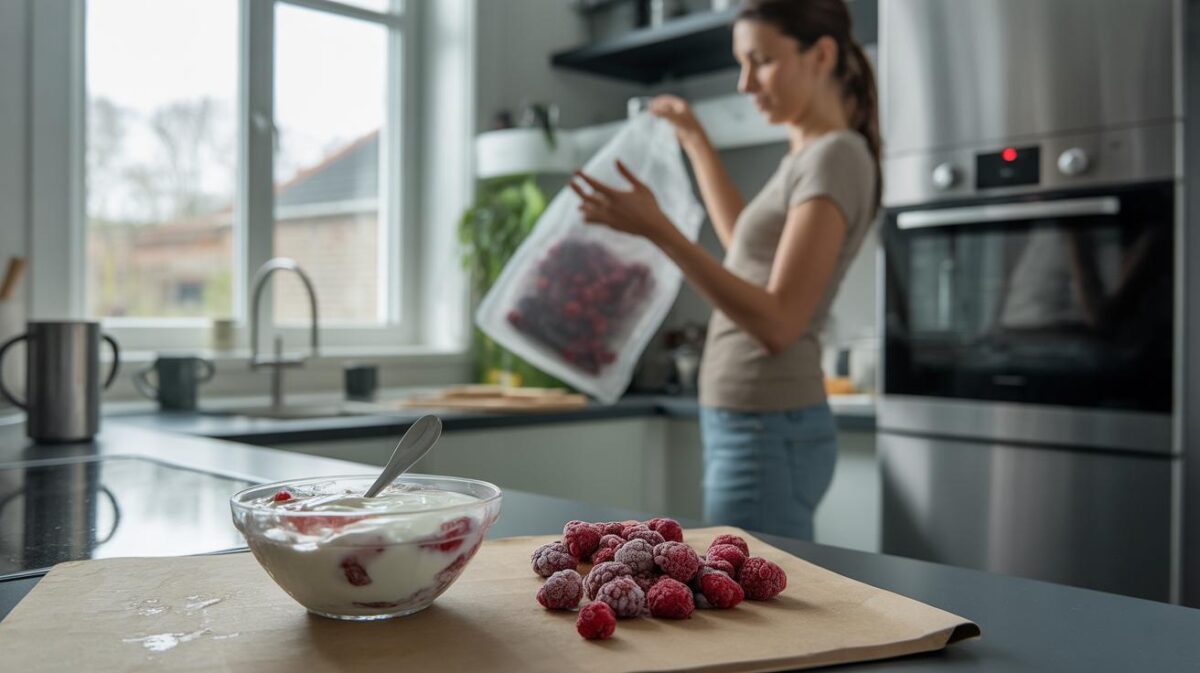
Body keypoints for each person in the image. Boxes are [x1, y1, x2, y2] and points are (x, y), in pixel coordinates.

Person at [569, 0, 881, 540]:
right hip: (754, 422)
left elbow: (780, 323)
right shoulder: (810, 155)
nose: (744, 83)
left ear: (822, 54)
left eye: (759, 60)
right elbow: (746, 250)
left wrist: (659, 230)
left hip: (767, 424)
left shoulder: (834, 155)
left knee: (756, 617)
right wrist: (694, 139)